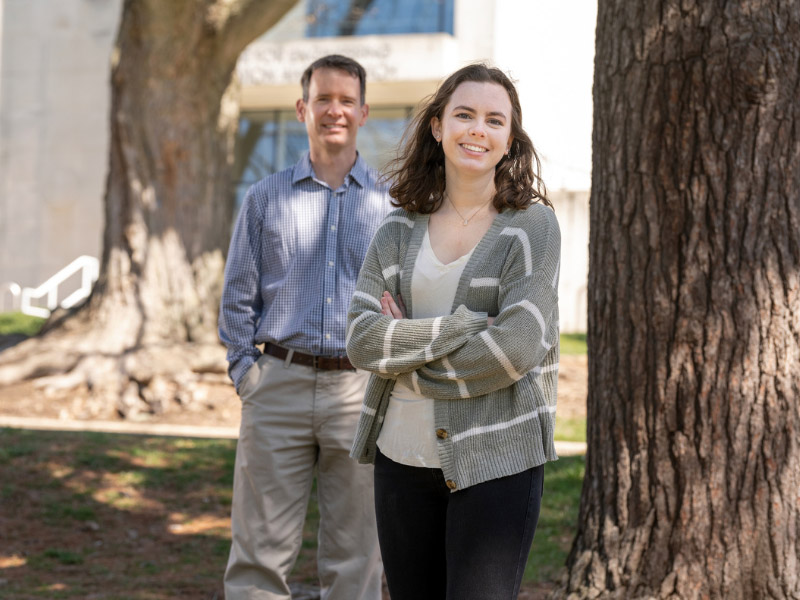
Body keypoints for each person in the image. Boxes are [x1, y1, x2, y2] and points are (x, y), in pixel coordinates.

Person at [345, 63, 561, 600]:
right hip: (401, 457)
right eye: (464, 115)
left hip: (498, 459)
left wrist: (408, 359)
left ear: (509, 139)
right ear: (438, 126)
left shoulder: (532, 226)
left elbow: (515, 348)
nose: (477, 130)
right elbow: (362, 339)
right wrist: (465, 327)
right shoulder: (398, 228)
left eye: (494, 120)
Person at [219, 54, 389, 600]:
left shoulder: (394, 204)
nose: (333, 110)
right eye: (323, 99)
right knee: (258, 557)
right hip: (278, 388)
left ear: (363, 112)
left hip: (360, 389)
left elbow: (406, 301)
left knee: (357, 557)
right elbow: (236, 300)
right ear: (302, 109)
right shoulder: (265, 197)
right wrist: (249, 375)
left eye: (345, 100)